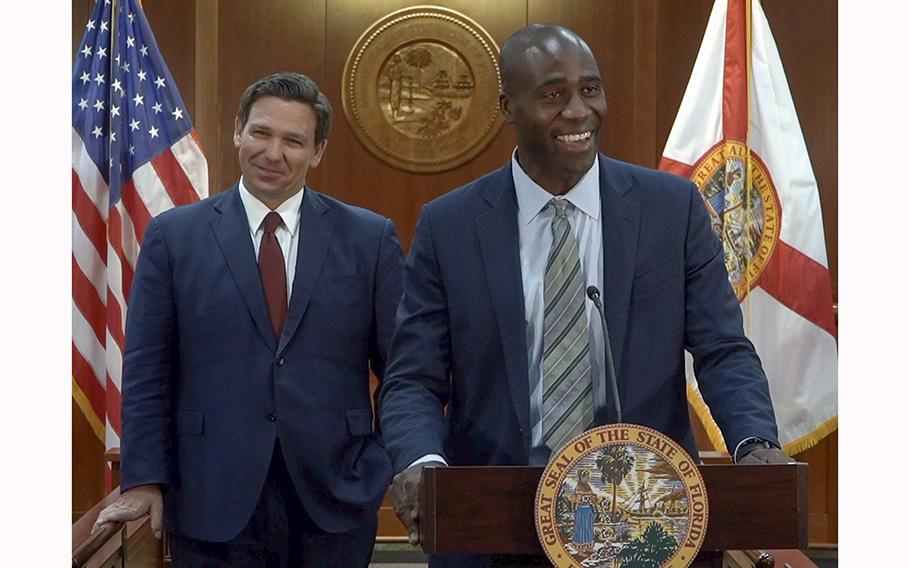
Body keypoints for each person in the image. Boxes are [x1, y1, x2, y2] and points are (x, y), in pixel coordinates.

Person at [378, 24, 790, 566]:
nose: (578, 111)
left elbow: (722, 350)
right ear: (507, 106)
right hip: (495, 520)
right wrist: (422, 460)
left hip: (648, 516)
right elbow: (413, 378)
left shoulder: (672, 210)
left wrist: (753, 442)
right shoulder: (450, 226)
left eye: (589, 90)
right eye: (553, 95)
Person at [93, 72, 403, 566]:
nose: (273, 152)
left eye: (294, 140)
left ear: (317, 151)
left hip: (336, 496)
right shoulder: (174, 238)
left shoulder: (369, 239)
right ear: (238, 130)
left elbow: (402, 372)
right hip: (207, 495)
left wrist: (385, 461)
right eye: (261, 132)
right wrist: (146, 479)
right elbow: (148, 370)